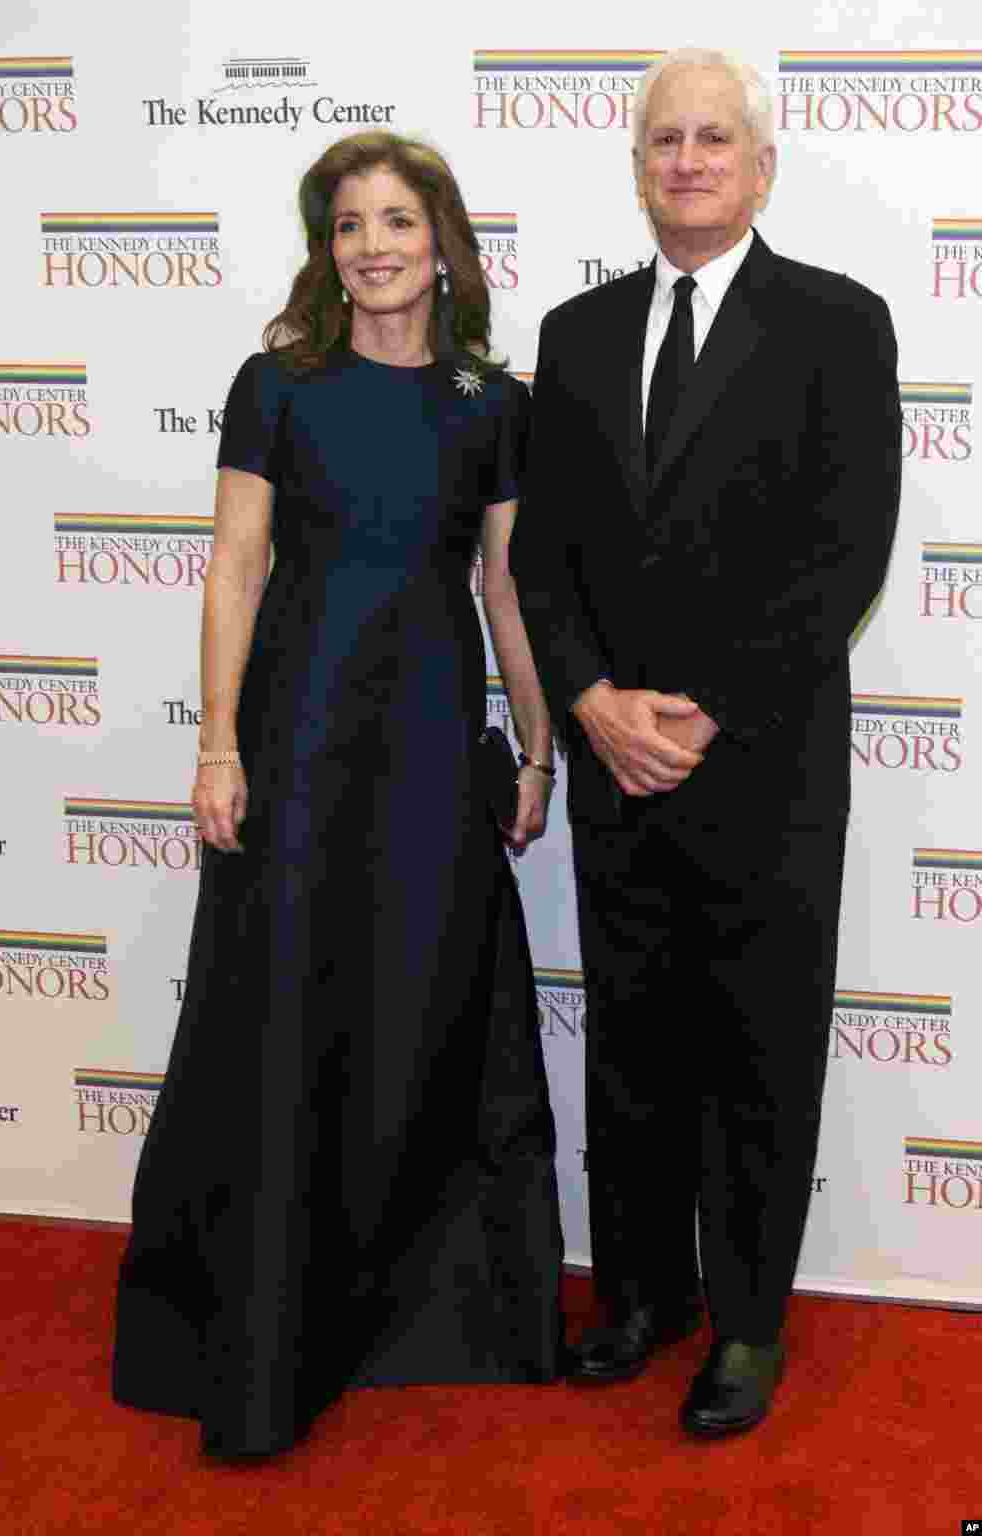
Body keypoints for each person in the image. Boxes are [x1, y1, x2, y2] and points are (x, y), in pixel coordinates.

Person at [113, 130, 564, 1459]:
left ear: (443, 241)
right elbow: (234, 568)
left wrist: (533, 751)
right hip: (299, 733)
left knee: (429, 1000)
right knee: (291, 1005)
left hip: (429, 735)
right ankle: (268, 1322)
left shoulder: (493, 402)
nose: (373, 245)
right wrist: (215, 747)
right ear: (328, 250)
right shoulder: (277, 386)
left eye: (396, 220)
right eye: (348, 223)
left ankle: (430, 1311)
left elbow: (507, 590)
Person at [510, 49, 901, 1436]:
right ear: (636, 166)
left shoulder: (839, 325)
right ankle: (638, 1296)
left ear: (761, 164)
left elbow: (846, 551)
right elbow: (542, 559)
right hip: (617, 766)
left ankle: (743, 1325)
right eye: (664, 139)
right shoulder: (573, 333)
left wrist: (709, 708)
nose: (687, 159)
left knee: (756, 1044)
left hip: (767, 764)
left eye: (714, 139)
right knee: (632, 1039)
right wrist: (594, 703)